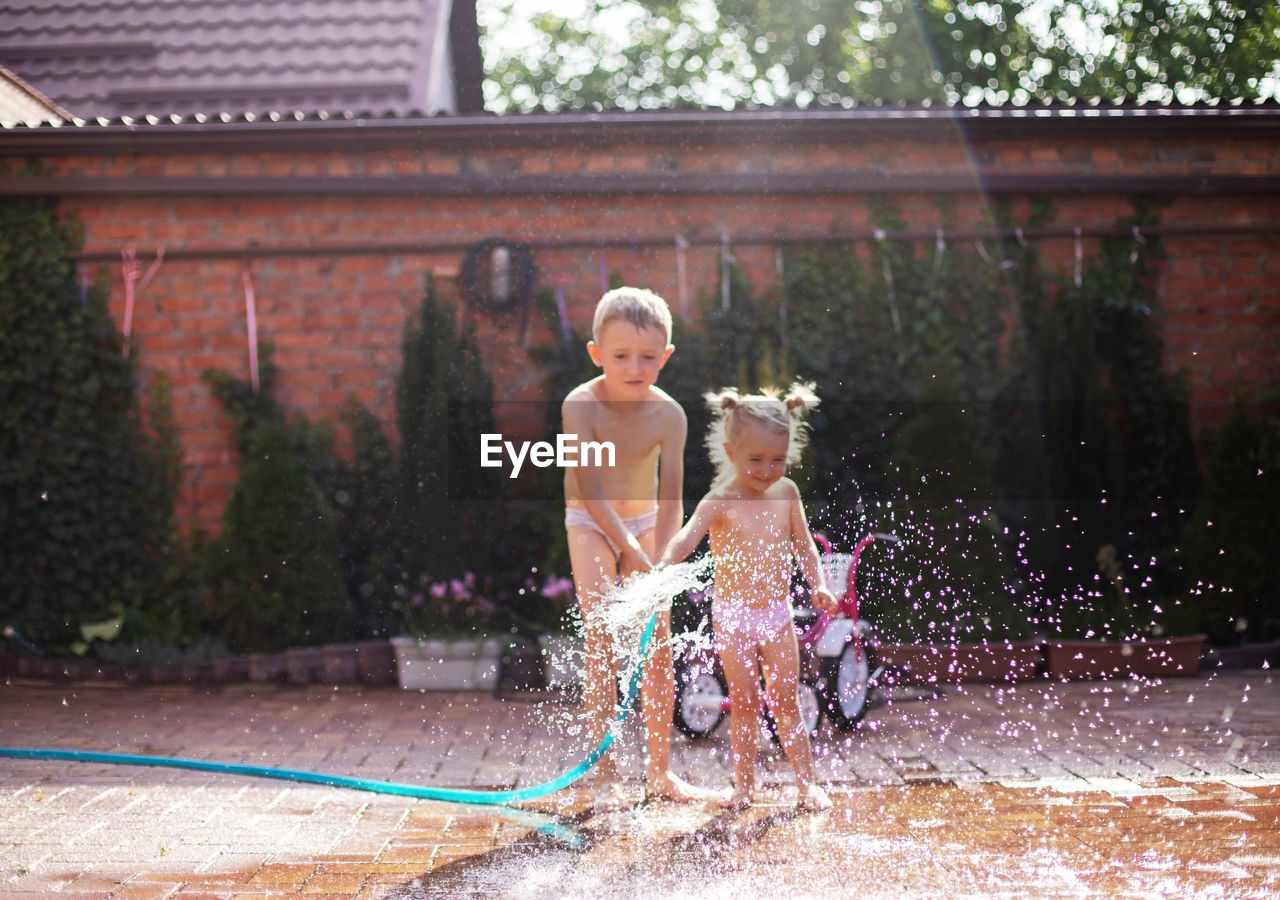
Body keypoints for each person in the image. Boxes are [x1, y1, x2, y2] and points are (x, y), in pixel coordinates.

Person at [562, 286, 711, 804]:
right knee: (601, 635)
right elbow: (593, 493)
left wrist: (662, 557)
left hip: (647, 519)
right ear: (596, 353)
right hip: (591, 519)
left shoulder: (669, 415)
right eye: (621, 356)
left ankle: (660, 774)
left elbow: (672, 499)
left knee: (657, 642)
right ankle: (606, 775)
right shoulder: (579, 406)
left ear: (666, 357)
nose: (634, 367)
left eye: (648, 357)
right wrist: (631, 553)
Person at [659, 383, 835, 811]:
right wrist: (664, 564)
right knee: (745, 704)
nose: (766, 469)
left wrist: (819, 583)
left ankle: (805, 784)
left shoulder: (786, 493)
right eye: (755, 459)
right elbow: (686, 539)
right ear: (730, 451)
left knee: (786, 701)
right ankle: (744, 788)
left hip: (775, 615)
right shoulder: (720, 500)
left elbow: (804, 547)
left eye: (777, 459)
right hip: (733, 617)